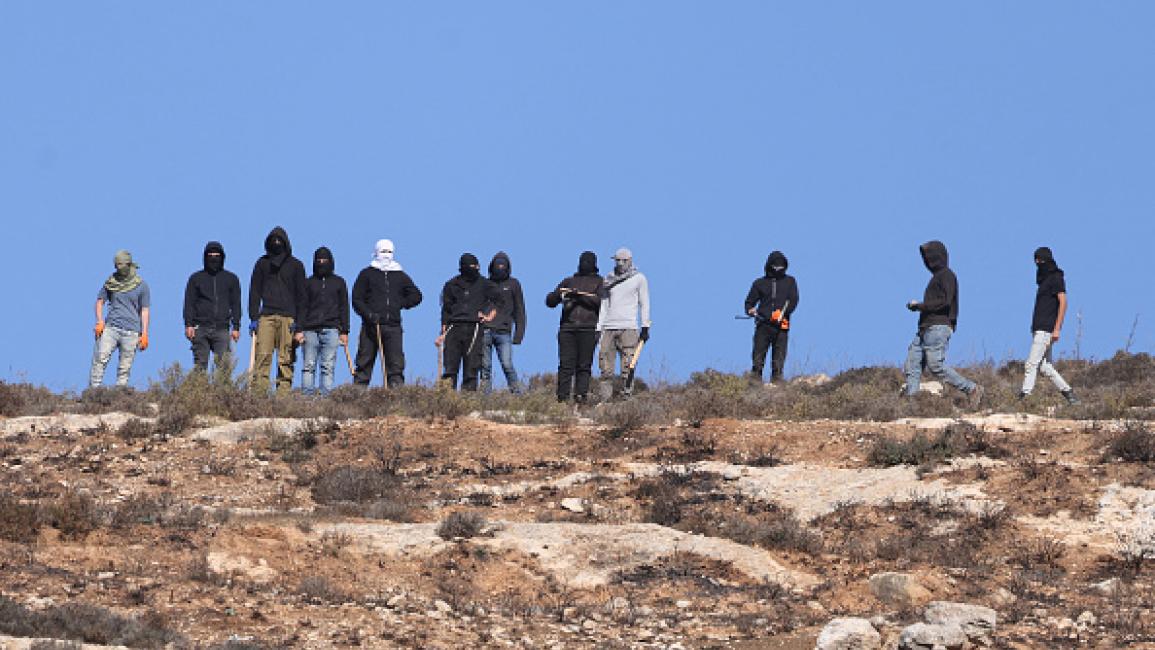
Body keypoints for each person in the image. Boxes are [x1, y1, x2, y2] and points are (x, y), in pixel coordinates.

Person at [903, 240, 983, 405]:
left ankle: (972, 389)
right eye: (924, 258)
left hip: (938, 327)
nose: (926, 261)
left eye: (929, 256)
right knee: (912, 365)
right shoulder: (936, 278)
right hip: (924, 329)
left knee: (935, 365)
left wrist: (920, 306)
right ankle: (912, 403)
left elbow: (945, 302)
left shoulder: (947, 275)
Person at [351, 239, 422, 388]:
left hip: (393, 327)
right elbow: (357, 299)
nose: (386, 255)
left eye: (389, 251)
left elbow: (416, 295)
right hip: (371, 327)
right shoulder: (367, 274)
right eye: (383, 251)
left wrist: (398, 304)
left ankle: (395, 397)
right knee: (364, 363)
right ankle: (357, 395)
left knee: (395, 366)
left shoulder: (399, 274)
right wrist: (369, 314)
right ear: (376, 252)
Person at [248, 226, 307, 394]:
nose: (276, 243)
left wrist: (300, 325)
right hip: (266, 317)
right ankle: (259, 396)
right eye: (273, 241)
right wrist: (254, 317)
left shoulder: (296, 265)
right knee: (263, 357)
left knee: (285, 360)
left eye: (280, 241)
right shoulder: (262, 263)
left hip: (288, 318)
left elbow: (302, 297)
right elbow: (254, 292)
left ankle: (283, 398)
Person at [436, 253, 503, 391]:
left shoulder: (484, 284)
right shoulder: (451, 285)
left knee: (471, 369)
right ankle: (446, 398)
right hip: (454, 327)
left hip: (475, 328)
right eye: (471, 266)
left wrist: (489, 316)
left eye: (476, 266)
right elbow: (446, 308)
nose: (474, 269)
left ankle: (468, 399)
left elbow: (500, 300)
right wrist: (443, 330)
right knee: (450, 368)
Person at [1020, 247, 1078, 404]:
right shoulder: (1043, 281)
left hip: (1046, 329)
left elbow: (1063, 302)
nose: (1037, 263)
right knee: (1045, 367)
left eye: (1040, 260)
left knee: (1031, 364)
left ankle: (1025, 396)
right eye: (1035, 260)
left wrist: (1057, 328)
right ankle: (1069, 394)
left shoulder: (1055, 277)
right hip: (1039, 328)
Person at [546, 251, 604, 403]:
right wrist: (560, 295)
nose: (585, 264)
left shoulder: (600, 282)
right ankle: (562, 398)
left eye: (588, 262)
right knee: (565, 366)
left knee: (584, 366)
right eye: (583, 261)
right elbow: (549, 301)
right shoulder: (569, 281)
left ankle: (581, 398)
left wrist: (581, 296)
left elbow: (601, 303)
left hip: (589, 328)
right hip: (567, 328)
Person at [90, 250, 150, 388]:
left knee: (125, 367)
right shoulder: (111, 282)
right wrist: (99, 321)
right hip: (111, 327)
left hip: (132, 331)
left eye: (122, 265)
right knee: (100, 358)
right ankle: (94, 391)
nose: (119, 268)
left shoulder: (142, 285)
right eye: (117, 265)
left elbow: (145, 310)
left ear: (129, 264)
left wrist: (144, 333)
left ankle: (120, 394)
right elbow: (99, 301)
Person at [596, 247, 651, 399]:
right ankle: (605, 400)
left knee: (628, 366)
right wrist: (598, 327)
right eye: (617, 260)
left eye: (624, 260)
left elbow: (644, 303)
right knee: (605, 368)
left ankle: (625, 398)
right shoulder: (608, 280)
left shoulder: (639, 278)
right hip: (608, 328)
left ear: (630, 261)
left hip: (629, 328)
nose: (620, 263)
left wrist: (645, 326)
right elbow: (604, 305)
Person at [182, 241, 242, 372]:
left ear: (222, 257)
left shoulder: (231, 279)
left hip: (222, 328)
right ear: (205, 257)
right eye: (210, 255)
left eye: (217, 255)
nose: (213, 258)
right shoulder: (196, 278)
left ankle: (222, 387)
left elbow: (236, 304)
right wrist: (188, 324)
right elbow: (189, 303)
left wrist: (236, 326)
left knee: (223, 367)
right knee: (200, 365)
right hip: (200, 328)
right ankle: (199, 386)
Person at [299, 247, 350, 395]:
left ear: (331, 261)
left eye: (325, 260)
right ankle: (307, 398)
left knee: (327, 366)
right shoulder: (308, 283)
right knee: (308, 366)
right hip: (310, 330)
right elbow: (302, 307)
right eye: (318, 260)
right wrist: (299, 330)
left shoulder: (339, 282)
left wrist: (345, 331)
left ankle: (325, 398)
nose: (321, 263)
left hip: (332, 329)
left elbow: (344, 307)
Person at [744, 251, 799, 384]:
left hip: (782, 326)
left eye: (781, 266)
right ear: (769, 266)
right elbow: (749, 302)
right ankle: (755, 382)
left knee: (779, 358)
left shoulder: (790, 282)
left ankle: (777, 383)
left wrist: (783, 313)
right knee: (758, 357)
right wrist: (750, 310)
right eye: (775, 266)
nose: (778, 269)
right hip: (763, 325)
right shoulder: (759, 283)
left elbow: (793, 300)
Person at [480, 252, 526, 394]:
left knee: (507, 365)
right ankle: (484, 399)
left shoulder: (514, 284)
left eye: (503, 265)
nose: (500, 268)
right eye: (497, 265)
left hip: (504, 332)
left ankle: (518, 396)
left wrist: (518, 335)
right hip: (485, 330)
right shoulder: (485, 284)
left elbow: (520, 310)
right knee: (485, 368)